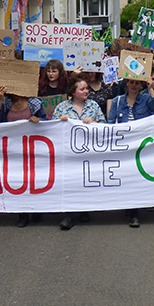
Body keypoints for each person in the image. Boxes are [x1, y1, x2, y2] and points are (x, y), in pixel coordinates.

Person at [0, 84, 47, 229]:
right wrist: (0, 99)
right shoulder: (6, 103)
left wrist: (38, 120)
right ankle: (22, 213)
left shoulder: (34, 103)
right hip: (13, 150)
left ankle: (36, 209)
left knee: (34, 180)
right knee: (18, 181)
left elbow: (47, 122)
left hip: (33, 150)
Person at [107, 77, 154, 227]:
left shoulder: (145, 99)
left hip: (140, 146)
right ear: (127, 83)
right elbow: (110, 123)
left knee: (136, 178)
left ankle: (134, 212)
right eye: (131, 82)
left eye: (137, 83)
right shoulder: (118, 101)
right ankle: (129, 205)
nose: (134, 85)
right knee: (126, 177)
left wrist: (151, 89)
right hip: (123, 146)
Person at [54, 76, 105, 230]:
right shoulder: (62, 108)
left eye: (86, 88)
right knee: (70, 182)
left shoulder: (93, 106)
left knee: (85, 181)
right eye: (82, 89)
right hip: (68, 152)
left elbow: (104, 124)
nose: (86, 91)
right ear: (73, 91)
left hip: (88, 151)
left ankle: (84, 209)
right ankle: (69, 214)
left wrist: (94, 122)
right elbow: (51, 129)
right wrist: (59, 122)